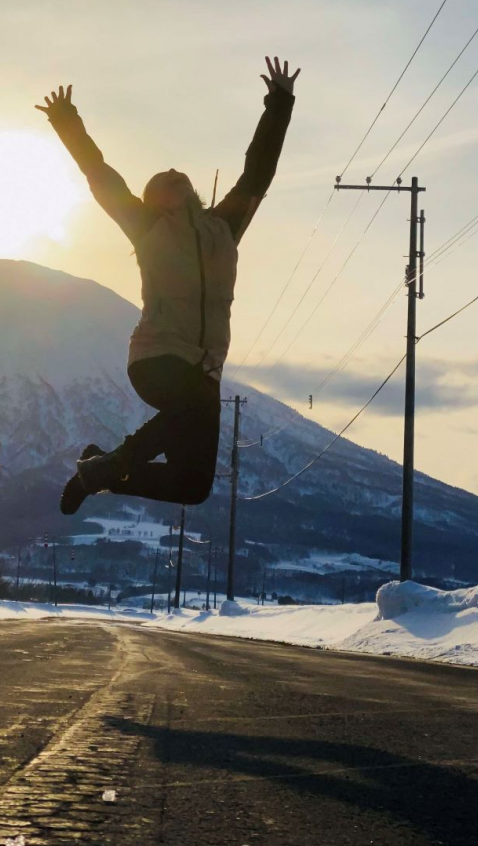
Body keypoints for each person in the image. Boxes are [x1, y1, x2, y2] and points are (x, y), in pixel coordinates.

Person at [35, 56, 299, 515]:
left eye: (181, 177)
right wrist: (66, 120)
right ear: (153, 198)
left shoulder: (224, 228)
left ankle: (100, 471)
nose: (176, 174)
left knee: (192, 485)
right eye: (165, 180)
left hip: (205, 371)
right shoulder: (146, 226)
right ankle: (104, 467)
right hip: (158, 356)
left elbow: (258, 174)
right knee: (191, 407)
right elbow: (100, 175)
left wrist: (279, 103)